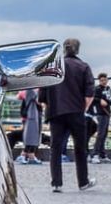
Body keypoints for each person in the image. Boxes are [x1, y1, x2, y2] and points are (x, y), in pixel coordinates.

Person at [39, 38, 95, 193]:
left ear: (63, 49)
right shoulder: (83, 67)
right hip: (76, 112)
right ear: (77, 50)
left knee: (55, 148)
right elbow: (89, 94)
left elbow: (42, 96)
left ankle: (57, 183)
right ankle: (83, 182)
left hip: (56, 112)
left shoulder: (52, 67)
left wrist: (50, 107)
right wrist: (81, 109)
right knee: (80, 148)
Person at [88, 72, 111, 163]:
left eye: (105, 80)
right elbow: (93, 98)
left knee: (104, 135)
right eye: (101, 80)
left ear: (107, 80)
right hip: (100, 113)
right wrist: (100, 100)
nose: (103, 82)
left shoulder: (108, 88)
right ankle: (94, 154)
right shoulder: (97, 89)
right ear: (99, 81)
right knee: (100, 135)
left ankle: (102, 154)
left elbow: (108, 100)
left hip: (106, 113)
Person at [16, 88, 43, 165]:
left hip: (34, 116)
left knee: (33, 136)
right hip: (31, 116)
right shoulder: (31, 90)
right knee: (30, 136)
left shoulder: (32, 90)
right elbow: (39, 101)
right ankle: (23, 155)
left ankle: (31, 155)